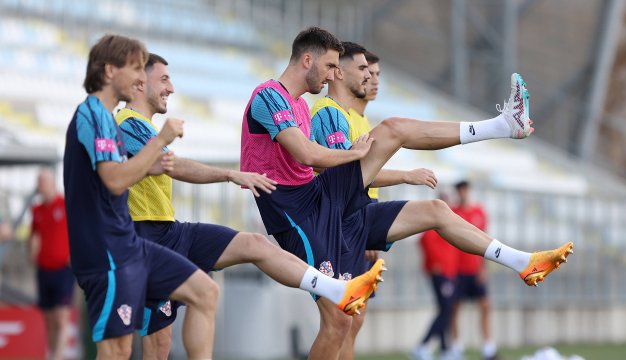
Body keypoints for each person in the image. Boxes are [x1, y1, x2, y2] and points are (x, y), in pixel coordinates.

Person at [240, 27, 573, 360]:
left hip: (329, 205)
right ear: (307, 59)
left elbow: (318, 165)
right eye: (332, 67)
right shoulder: (272, 95)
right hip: (299, 214)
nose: (333, 75)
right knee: (338, 321)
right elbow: (310, 156)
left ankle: (522, 261)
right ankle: (500, 126)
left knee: (434, 211)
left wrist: (368, 178)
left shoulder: (301, 107)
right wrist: (364, 159)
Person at [115, 53, 385, 360]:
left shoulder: (146, 129)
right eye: (164, 79)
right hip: (143, 237)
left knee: (253, 246)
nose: (171, 88)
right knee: (151, 343)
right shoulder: (126, 125)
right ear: (139, 81)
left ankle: (336, 288)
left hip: (170, 231)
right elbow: (172, 166)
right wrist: (229, 174)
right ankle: (336, 289)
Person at [63, 33, 218, 359]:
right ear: (108, 71)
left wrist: (154, 156)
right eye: (134, 68)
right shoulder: (92, 116)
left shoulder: (107, 118)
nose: (139, 77)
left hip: (129, 246)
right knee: (118, 350)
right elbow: (116, 181)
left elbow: (128, 174)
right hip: (104, 253)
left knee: (205, 292)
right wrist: (160, 141)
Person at [314, 46, 437, 359]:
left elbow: (361, 176)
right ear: (343, 72)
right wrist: (405, 176)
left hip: (358, 225)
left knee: (353, 321)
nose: (373, 79)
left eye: (377, 74)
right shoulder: (330, 113)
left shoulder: (358, 119)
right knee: (343, 320)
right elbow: (348, 175)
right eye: (367, 71)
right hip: (344, 228)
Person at [27, 168, 75, 360]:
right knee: (48, 319)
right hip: (43, 270)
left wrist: (75, 254)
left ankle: (58, 356)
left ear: (52, 183)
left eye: (43, 181)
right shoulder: (37, 209)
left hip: (63, 270)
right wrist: (31, 252)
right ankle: (52, 354)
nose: (40, 185)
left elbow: (80, 230)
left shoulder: (65, 205)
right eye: (39, 181)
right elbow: (33, 235)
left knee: (60, 317)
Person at [449, 180, 497, 360]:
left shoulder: (479, 212)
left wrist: (483, 268)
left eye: (465, 190)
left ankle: (488, 346)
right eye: (459, 190)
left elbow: (485, 241)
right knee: (454, 307)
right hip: (458, 270)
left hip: (475, 269)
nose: (462, 193)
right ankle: (456, 346)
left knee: (485, 305)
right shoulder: (453, 213)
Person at [413, 191, 459, 360]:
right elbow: (424, 241)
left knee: (445, 309)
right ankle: (422, 345)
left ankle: (445, 349)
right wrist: (436, 265)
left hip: (449, 273)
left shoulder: (447, 222)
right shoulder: (434, 223)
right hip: (441, 274)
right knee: (446, 310)